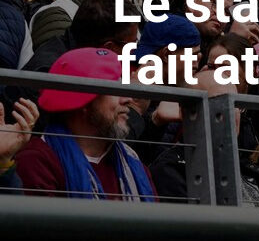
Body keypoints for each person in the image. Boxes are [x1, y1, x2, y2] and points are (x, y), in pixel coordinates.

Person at [15, 48, 157, 201]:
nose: (128, 99)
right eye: (115, 89)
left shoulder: (132, 163)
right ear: (82, 102)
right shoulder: (37, 162)